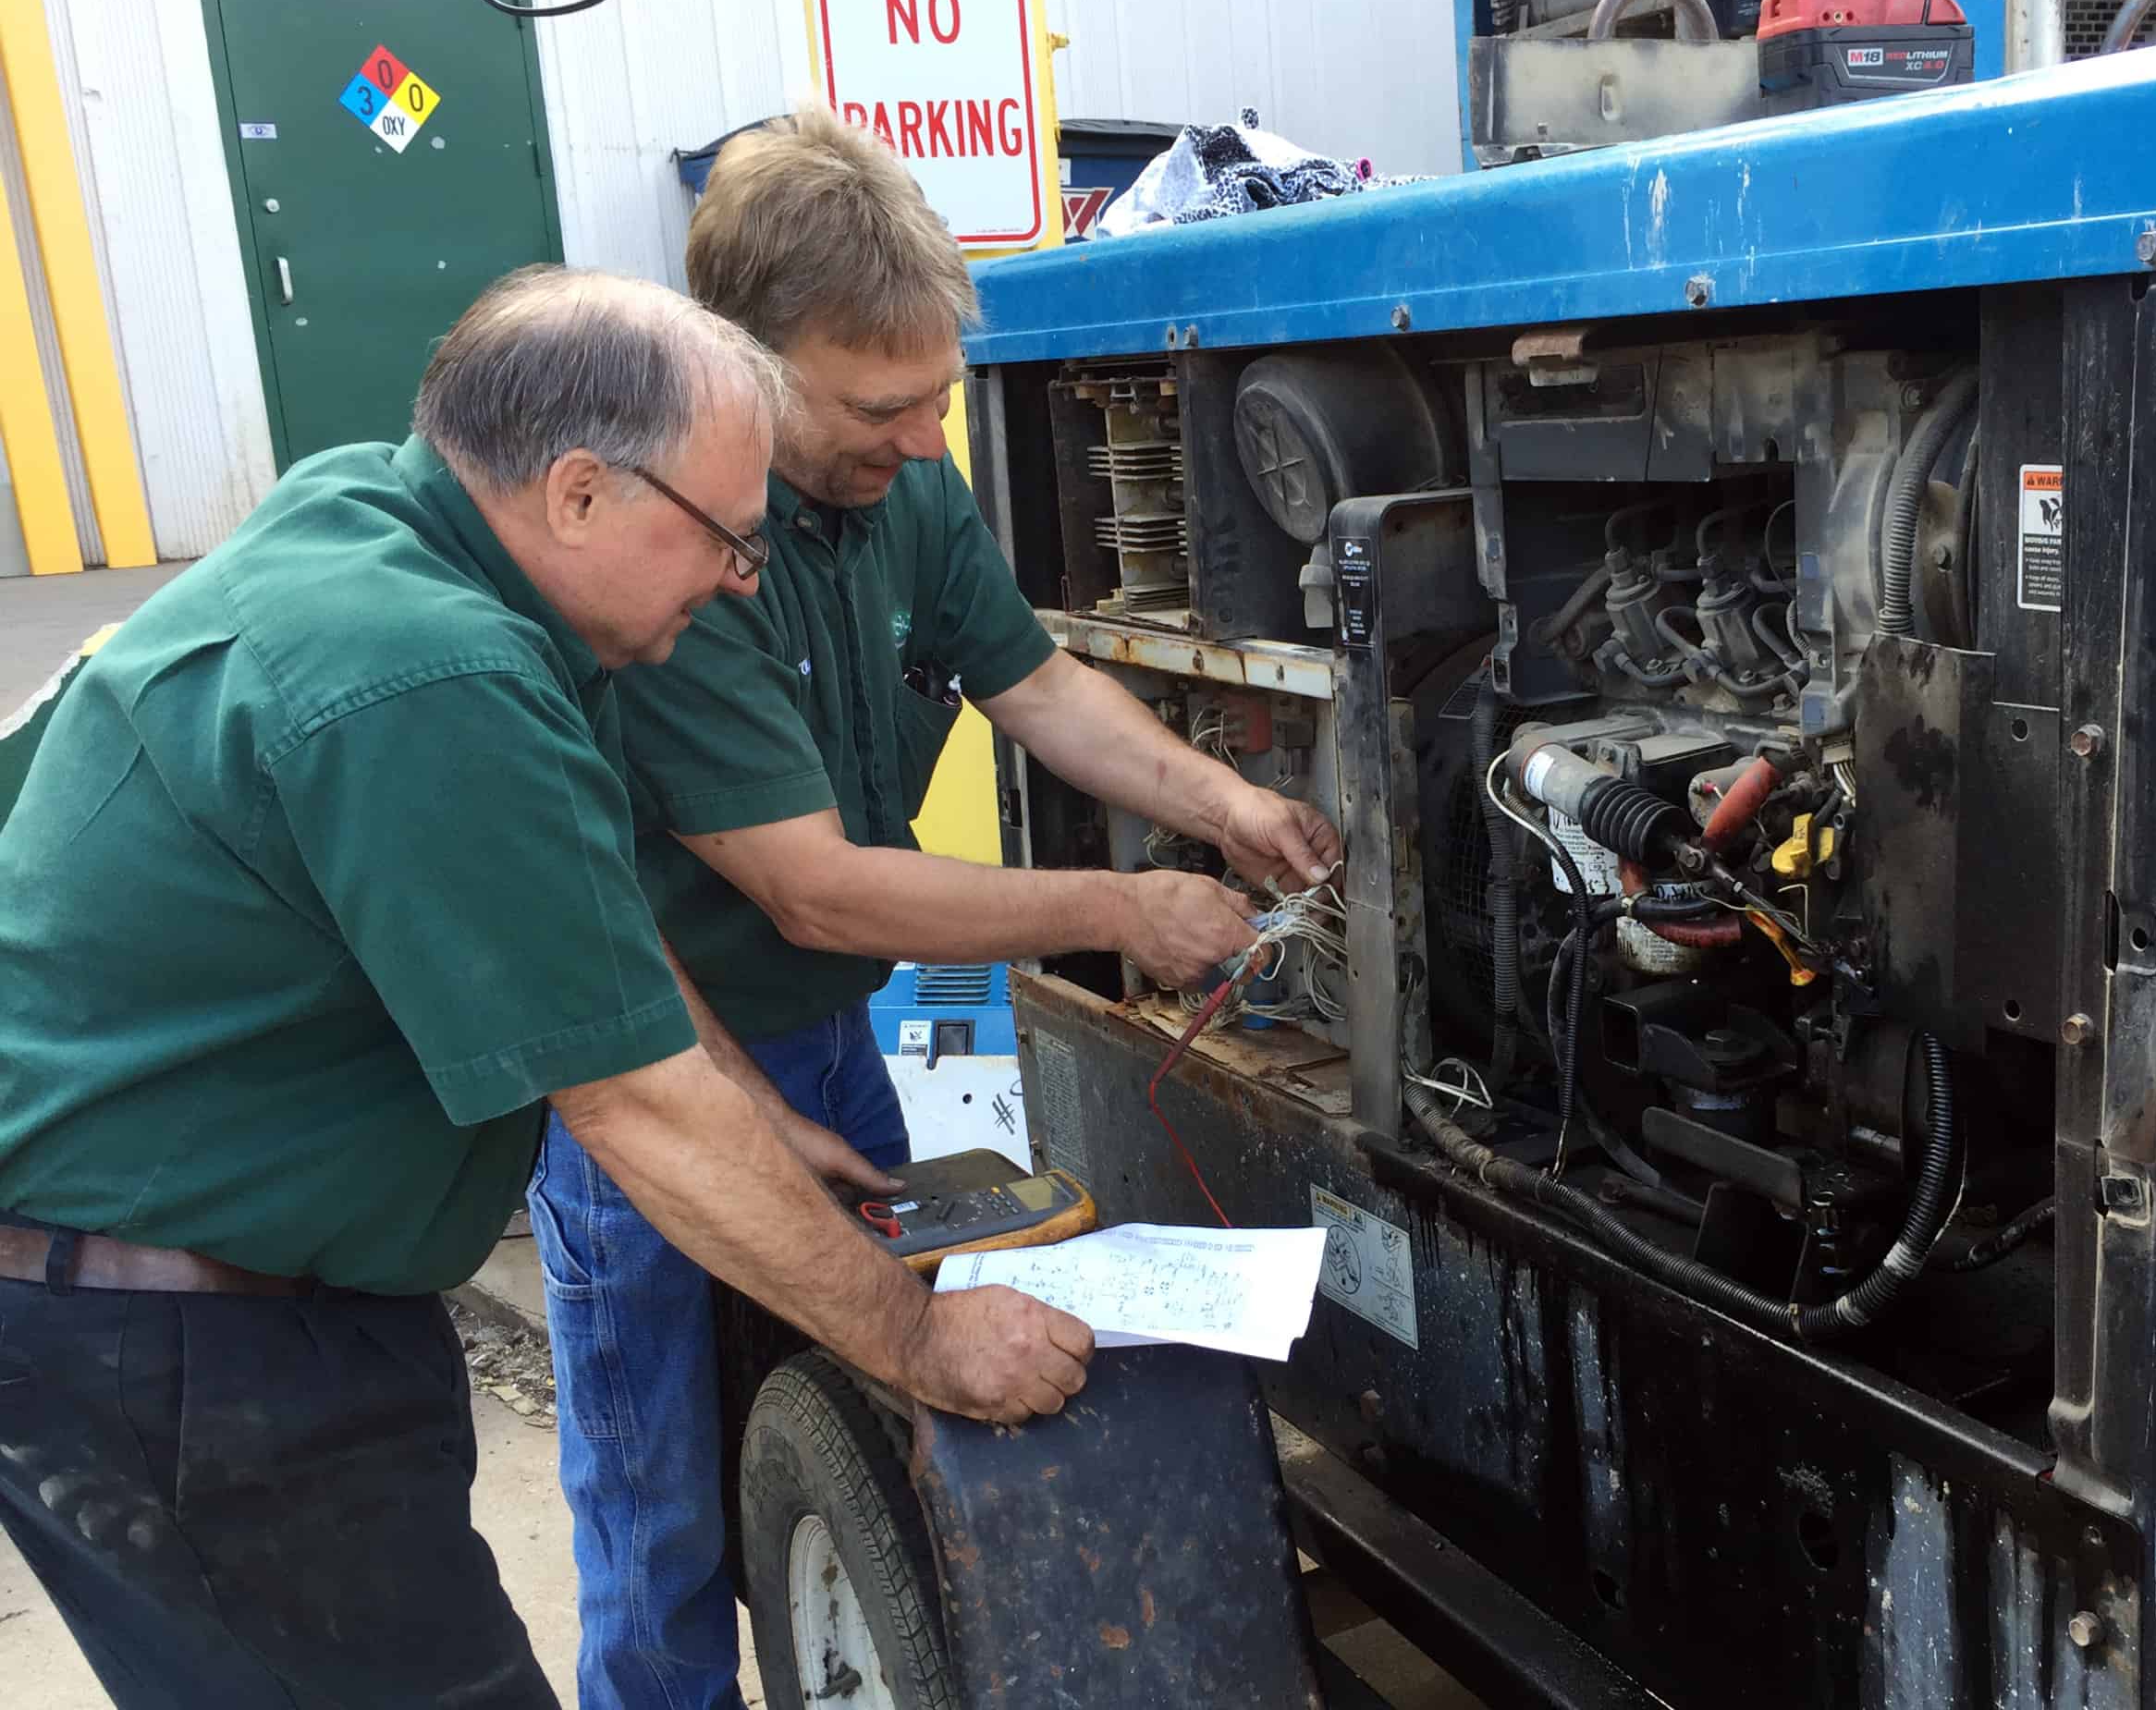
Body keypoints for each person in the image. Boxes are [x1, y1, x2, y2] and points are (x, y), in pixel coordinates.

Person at [0, 266, 1093, 1710]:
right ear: (578, 494)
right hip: (174, 1339)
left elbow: (581, 925)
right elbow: (626, 1104)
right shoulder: (426, 675)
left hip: (229, 1298)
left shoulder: (391, 529)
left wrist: (758, 1120)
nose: (737, 581)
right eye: (728, 541)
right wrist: (924, 1343)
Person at [529, 111, 1346, 1709]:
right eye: (878, 404)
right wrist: (1122, 898)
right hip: (661, 1079)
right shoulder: (681, 559)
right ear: (736, 367)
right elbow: (817, 889)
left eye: (937, 397)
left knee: (878, 1407)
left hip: (827, 1050)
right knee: (659, 1495)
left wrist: (1228, 805)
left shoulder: (908, 489)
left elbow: (1032, 680)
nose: (921, 438)